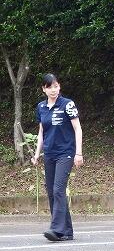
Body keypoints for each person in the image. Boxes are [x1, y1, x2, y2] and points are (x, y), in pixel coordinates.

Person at [31, 73, 83, 242]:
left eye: (56, 86)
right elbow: (41, 133)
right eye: (49, 87)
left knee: (58, 189)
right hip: (49, 154)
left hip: (65, 153)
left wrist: (78, 153)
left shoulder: (68, 104)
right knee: (52, 192)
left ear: (59, 86)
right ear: (44, 89)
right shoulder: (41, 107)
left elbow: (78, 129)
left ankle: (56, 229)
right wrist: (37, 154)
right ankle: (67, 231)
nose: (53, 90)